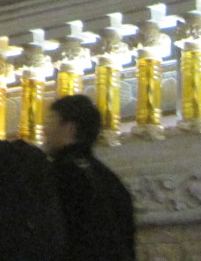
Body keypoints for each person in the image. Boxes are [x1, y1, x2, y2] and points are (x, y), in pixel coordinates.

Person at [43, 95, 136, 261]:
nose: (44, 130)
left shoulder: (58, 174)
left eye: (50, 122)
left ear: (70, 129)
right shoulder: (111, 180)